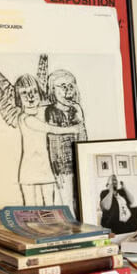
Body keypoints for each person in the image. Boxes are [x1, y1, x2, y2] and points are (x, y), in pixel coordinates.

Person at [0, 54, 84, 205]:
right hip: (29, 169)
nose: (30, 97)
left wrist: (43, 61)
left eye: (33, 92)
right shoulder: (24, 118)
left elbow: (42, 80)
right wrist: (73, 129)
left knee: (50, 204)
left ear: (39, 93)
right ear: (18, 98)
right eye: (24, 93)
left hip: (46, 167)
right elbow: (49, 128)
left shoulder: (43, 109)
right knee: (30, 206)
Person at [44, 69, 86, 203]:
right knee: (65, 197)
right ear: (52, 90)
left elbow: (83, 137)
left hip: (78, 161)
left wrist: (81, 118)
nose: (68, 90)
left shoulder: (76, 109)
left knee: (78, 199)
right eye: (63, 86)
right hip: (62, 165)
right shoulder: (51, 111)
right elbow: (53, 143)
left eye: (71, 86)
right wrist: (57, 169)